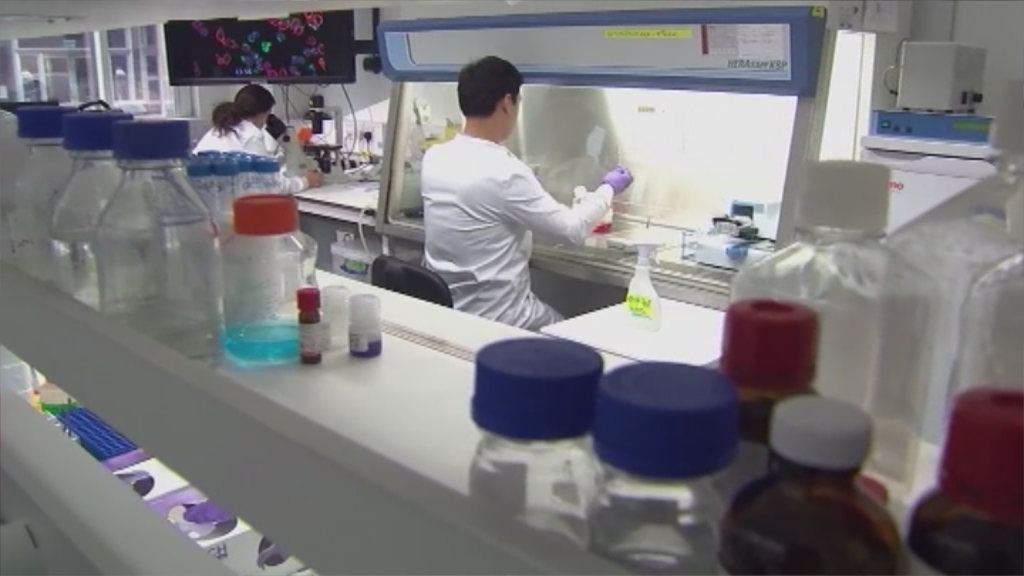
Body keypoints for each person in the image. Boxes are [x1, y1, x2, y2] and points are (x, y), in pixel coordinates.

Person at [420, 56, 634, 331]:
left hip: (449, 316)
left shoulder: (435, 157)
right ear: (507, 103)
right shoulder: (506, 172)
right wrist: (608, 188)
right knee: (576, 339)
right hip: (501, 320)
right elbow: (572, 230)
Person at [193, 84, 323, 193]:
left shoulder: (217, 131)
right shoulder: (252, 136)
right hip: (232, 208)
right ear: (262, 114)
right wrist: (306, 181)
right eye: (268, 115)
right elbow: (273, 186)